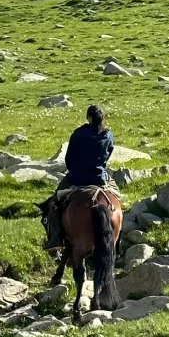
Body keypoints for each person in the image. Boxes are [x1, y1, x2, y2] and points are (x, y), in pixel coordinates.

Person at [44, 105, 115, 251]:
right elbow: (109, 153)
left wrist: (76, 169)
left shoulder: (77, 135)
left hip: (77, 178)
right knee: (115, 197)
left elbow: (69, 159)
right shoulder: (108, 135)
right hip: (99, 178)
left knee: (53, 203)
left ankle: (56, 239)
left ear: (88, 118)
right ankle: (117, 235)